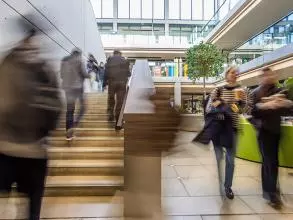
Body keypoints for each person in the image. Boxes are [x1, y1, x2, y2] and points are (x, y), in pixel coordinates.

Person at [0, 27, 62, 220]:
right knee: (32, 208)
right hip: (35, 150)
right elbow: (56, 107)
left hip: (5, 148)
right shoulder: (44, 68)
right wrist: (46, 130)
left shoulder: (6, 63)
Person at [249, 67, 293, 207]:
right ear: (261, 77)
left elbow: (288, 108)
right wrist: (264, 106)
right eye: (266, 75)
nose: (269, 77)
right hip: (263, 132)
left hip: (276, 131)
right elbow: (252, 113)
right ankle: (272, 194)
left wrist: (285, 103)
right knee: (270, 162)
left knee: (270, 163)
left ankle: (270, 191)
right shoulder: (255, 93)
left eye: (271, 74)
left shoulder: (279, 91)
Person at [208, 67, 247, 200]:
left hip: (232, 129)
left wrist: (239, 103)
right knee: (219, 158)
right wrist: (222, 103)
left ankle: (227, 186)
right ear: (227, 75)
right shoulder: (218, 90)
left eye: (237, 73)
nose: (235, 74)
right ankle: (220, 181)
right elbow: (210, 107)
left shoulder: (241, 90)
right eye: (232, 72)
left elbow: (241, 111)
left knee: (231, 160)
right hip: (219, 129)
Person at [61, 48, 89, 140]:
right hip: (78, 87)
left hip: (67, 89)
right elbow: (84, 74)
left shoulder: (64, 60)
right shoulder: (80, 60)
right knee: (84, 107)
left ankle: (69, 134)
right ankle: (75, 122)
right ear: (79, 54)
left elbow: (61, 75)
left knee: (69, 110)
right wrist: (90, 75)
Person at [103, 50, 130, 127]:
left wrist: (104, 83)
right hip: (122, 83)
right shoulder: (125, 60)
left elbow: (106, 72)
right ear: (120, 54)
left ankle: (110, 115)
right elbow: (128, 73)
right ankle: (118, 121)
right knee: (120, 102)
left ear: (114, 53)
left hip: (112, 82)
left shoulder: (110, 59)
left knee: (111, 98)